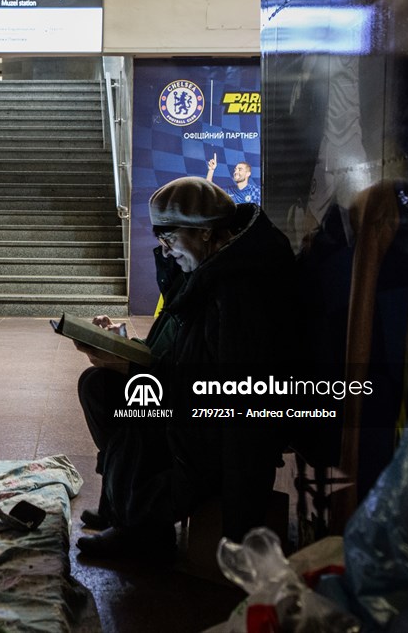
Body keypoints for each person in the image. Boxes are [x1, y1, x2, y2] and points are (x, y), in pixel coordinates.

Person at [74, 177, 298, 561]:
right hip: (190, 410)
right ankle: (127, 505)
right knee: (99, 385)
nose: (165, 249)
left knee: (137, 412)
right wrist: (124, 345)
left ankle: (140, 528)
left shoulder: (239, 291)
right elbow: (181, 353)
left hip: (212, 431)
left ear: (205, 232)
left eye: (170, 239)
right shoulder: (205, 271)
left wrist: (138, 370)